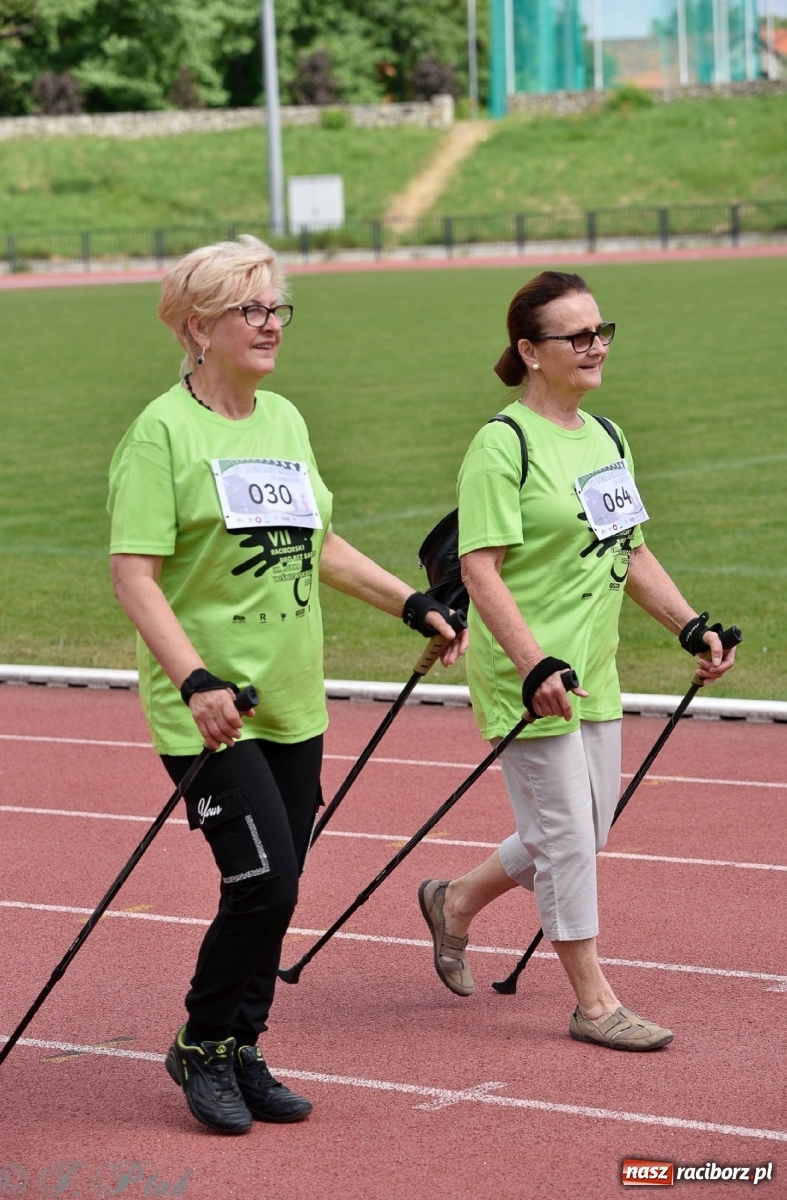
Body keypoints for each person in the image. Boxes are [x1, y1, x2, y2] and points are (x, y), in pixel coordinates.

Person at [107, 234, 466, 1135]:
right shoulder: (161, 433)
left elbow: (318, 541)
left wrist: (410, 602)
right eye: (251, 309)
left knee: (285, 882)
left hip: (293, 701)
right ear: (199, 327)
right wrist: (192, 679)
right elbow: (134, 576)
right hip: (211, 710)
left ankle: (242, 1044)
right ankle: (200, 1042)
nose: (271, 325)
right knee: (261, 883)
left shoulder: (283, 421)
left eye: (277, 308)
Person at [417, 270, 736, 1051]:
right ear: (530, 351)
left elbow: (631, 549)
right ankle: (593, 1004)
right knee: (564, 839)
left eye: (600, 332)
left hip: (593, 668)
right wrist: (532, 664)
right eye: (577, 335)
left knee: (583, 831)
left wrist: (689, 626)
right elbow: (479, 569)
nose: (595, 346)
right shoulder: (503, 444)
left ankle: (455, 900)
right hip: (526, 675)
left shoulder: (606, 437)